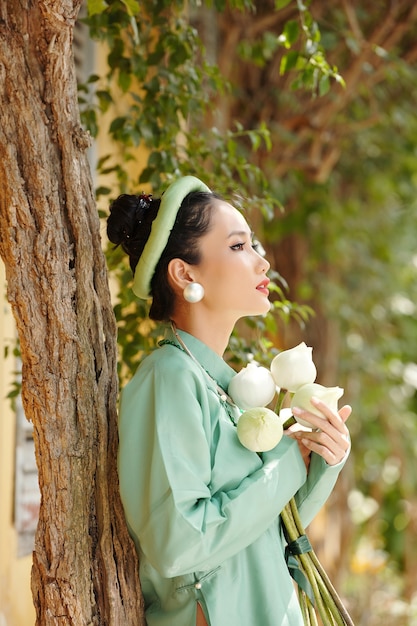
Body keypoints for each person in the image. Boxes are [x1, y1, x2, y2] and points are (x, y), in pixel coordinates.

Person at [107, 175, 351, 626]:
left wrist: (319, 460)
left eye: (254, 246)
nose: (263, 263)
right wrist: (286, 463)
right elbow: (179, 542)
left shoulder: (222, 388)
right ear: (185, 273)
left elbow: (263, 534)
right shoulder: (170, 378)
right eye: (239, 247)